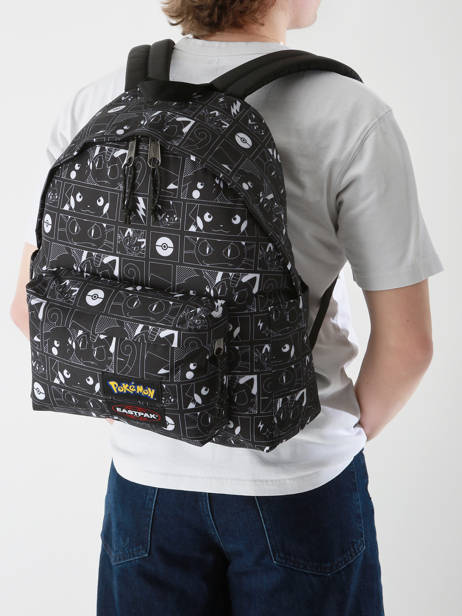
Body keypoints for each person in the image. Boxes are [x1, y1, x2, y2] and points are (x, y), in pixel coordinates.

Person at [10, 0, 444, 614]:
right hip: (297, 482)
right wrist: (335, 438)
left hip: (144, 490)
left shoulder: (100, 102)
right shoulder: (349, 113)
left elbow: (29, 306)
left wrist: (141, 397)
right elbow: (408, 347)